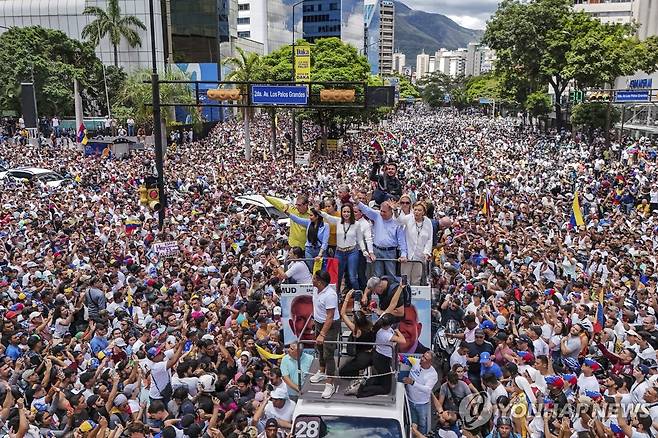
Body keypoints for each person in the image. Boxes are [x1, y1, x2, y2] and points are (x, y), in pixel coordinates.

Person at [308, 270, 340, 399]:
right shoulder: (316, 290)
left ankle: (330, 383)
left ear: (320, 282)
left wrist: (322, 334)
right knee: (319, 349)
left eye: (314, 278)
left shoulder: (330, 295)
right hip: (319, 322)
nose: (312, 279)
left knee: (328, 354)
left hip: (330, 326)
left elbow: (330, 317)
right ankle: (321, 371)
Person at [356, 200, 408, 278]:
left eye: (384, 212)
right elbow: (366, 209)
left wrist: (404, 254)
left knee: (391, 276)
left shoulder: (397, 222)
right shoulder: (377, 215)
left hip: (390, 252)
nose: (382, 214)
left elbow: (401, 240)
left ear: (391, 212)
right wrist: (357, 201)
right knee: (377, 277)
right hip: (377, 251)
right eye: (381, 211)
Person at [320, 203, 364, 292]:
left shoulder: (356, 224)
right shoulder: (338, 221)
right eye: (344, 212)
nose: (346, 214)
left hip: (352, 252)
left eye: (348, 212)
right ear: (341, 212)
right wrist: (318, 210)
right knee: (337, 277)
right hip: (339, 252)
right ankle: (336, 296)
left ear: (351, 213)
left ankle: (358, 297)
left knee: (352, 277)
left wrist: (364, 251)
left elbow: (360, 240)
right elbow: (327, 216)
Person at [340, 290, 375, 395]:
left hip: (361, 358)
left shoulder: (356, 330)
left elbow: (342, 313)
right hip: (371, 354)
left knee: (343, 372)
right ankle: (365, 369)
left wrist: (347, 298)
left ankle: (361, 375)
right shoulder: (371, 326)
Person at [397, 201, 433, 285]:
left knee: (416, 279)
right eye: (415, 210)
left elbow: (429, 239)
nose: (416, 212)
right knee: (405, 279)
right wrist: (396, 210)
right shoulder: (409, 218)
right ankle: (405, 296)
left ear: (423, 212)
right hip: (408, 255)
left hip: (420, 256)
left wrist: (427, 252)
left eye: (419, 210)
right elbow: (399, 221)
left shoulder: (428, 222)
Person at [404, 351, 438, 435]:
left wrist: (413, 383)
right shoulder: (416, 361)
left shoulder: (433, 374)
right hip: (409, 399)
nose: (422, 359)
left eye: (425, 358)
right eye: (423, 356)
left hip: (421, 403)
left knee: (422, 424)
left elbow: (427, 390)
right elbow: (405, 359)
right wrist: (399, 357)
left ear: (430, 362)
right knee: (411, 421)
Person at [286, 206, 329, 271]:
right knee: (311, 269)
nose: (309, 217)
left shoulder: (325, 226)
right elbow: (297, 219)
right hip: (309, 250)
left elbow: (325, 242)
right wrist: (287, 213)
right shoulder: (308, 222)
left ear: (317, 216)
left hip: (320, 250)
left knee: (322, 270)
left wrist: (320, 254)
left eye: (311, 215)